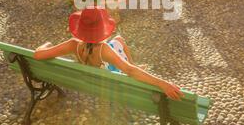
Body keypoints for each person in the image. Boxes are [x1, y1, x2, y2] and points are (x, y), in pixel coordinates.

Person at [34, 8, 184, 100]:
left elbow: (37, 55)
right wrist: (162, 83)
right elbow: (130, 72)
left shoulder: (73, 44)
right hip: (112, 80)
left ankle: (132, 62)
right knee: (119, 40)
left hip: (92, 78)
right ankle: (133, 61)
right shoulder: (104, 49)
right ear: (101, 28)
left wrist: (46, 45)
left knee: (118, 39)